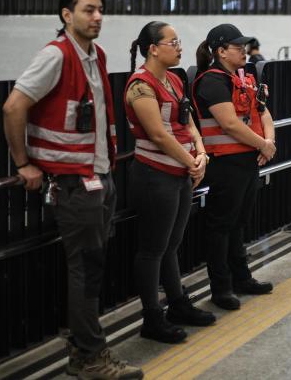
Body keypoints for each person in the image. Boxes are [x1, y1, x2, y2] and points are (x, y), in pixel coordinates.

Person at [2, 0, 142, 379]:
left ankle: (84, 353)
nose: (97, 17)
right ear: (67, 15)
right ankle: (91, 357)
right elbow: (13, 107)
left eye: (100, 10)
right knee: (85, 268)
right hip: (73, 183)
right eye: (88, 10)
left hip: (98, 176)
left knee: (92, 267)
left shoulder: (96, 55)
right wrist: (23, 163)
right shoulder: (56, 55)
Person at [125, 22, 216, 344]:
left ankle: (177, 304)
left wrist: (201, 153)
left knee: (171, 245)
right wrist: (191, 161)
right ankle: (152, 318)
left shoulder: (175, 80)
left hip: (180, 174)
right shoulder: (140, 85)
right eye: (172, 42)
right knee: (152, 249)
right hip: (155, 175)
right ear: (153, 49)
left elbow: (188, 122)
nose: (179, 48)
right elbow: (158, 135)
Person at [192, 24, 277, 311]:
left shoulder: (244, 79)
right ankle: (221, 289)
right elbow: (228, 124)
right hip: (225, 164)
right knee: (221, 227)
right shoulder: (211, 82)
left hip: (247, 161)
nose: (244, 51)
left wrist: (269, 142)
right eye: (237, 47)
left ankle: (242, 279)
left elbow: (263, 112)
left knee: (238, 223)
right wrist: (263, 145)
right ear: (221, 51)